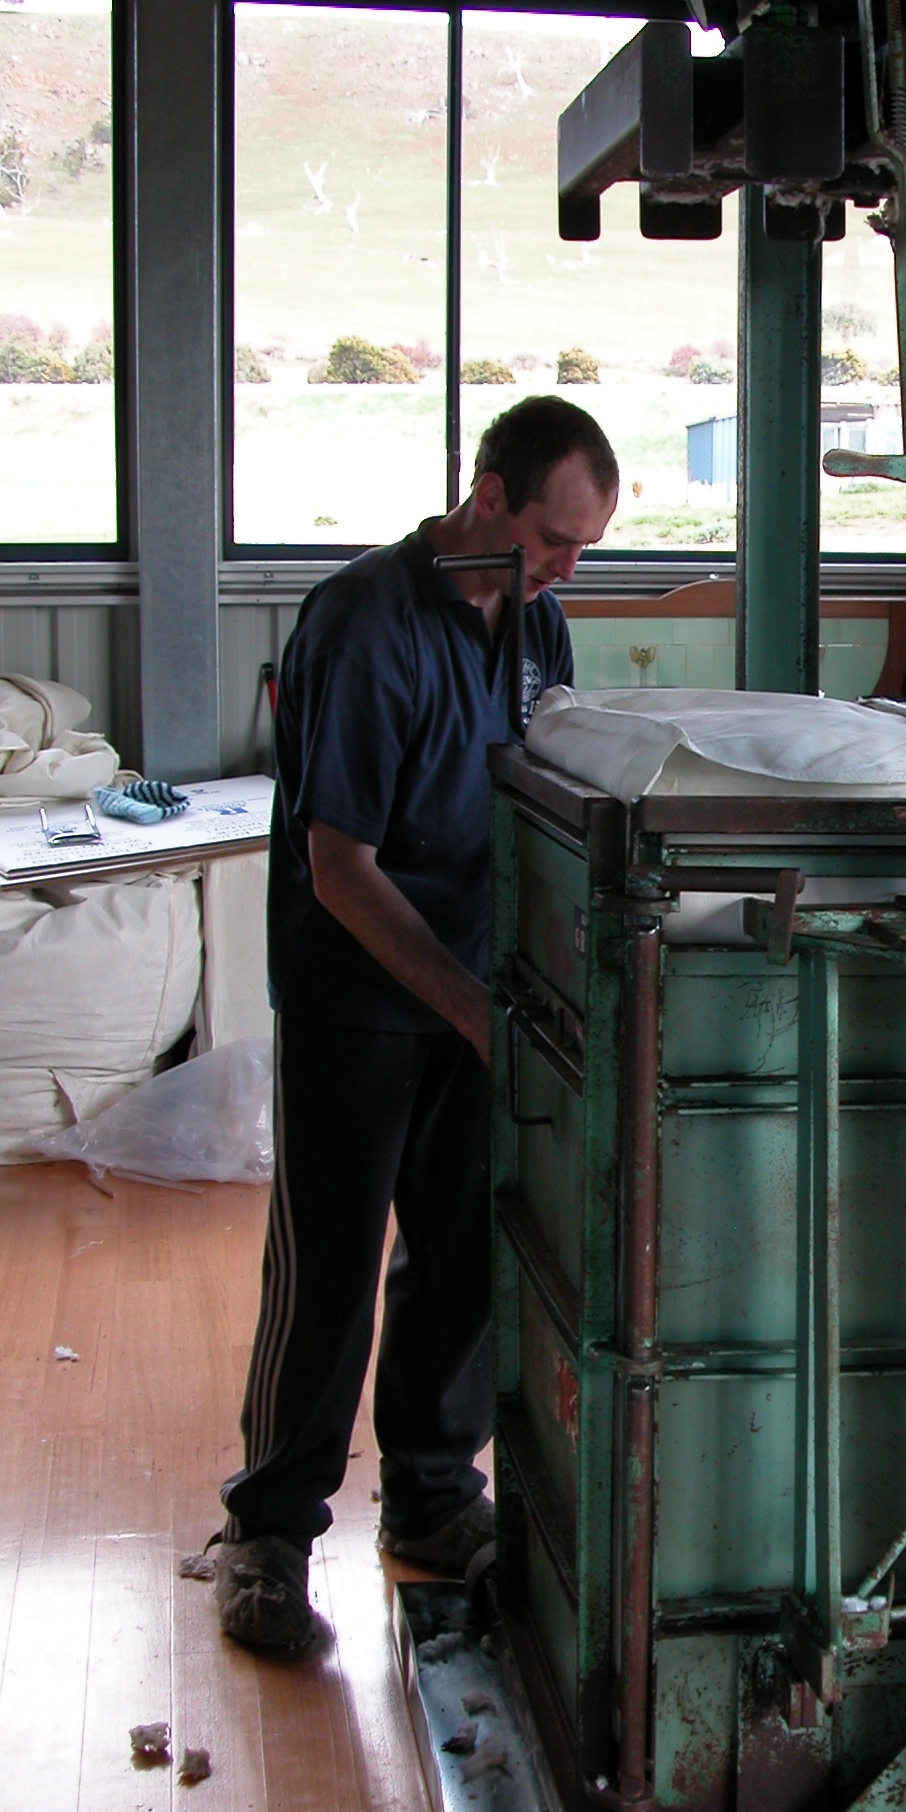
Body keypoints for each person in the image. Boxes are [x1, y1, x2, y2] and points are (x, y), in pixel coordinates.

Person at [213, 395, 618, 1652]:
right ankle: (269, 1533)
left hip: (477, 989)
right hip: (363, 996)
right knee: (329, 1267)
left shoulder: (537, 623)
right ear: (485, 493)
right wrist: (469, 1007)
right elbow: (340, 867)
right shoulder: (364, 623)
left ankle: (433, 1498)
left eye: (584, 549)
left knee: (467, 1253)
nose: (564, 568)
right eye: (553, 536)